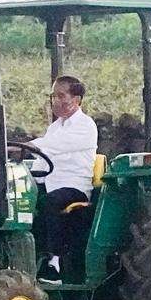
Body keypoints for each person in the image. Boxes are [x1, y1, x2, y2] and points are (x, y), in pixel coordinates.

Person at [26, 75, 98, 282]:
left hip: (74, 186)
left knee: (50, 202)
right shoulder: (55, 127)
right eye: (53, 96)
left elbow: (55, 145)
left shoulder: (85, 126)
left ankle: (54, 263)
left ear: (76, 99)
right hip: (50, 183)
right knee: (18, 199)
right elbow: (43, 161)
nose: (55, 101)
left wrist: (30, 146)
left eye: (61, 96)